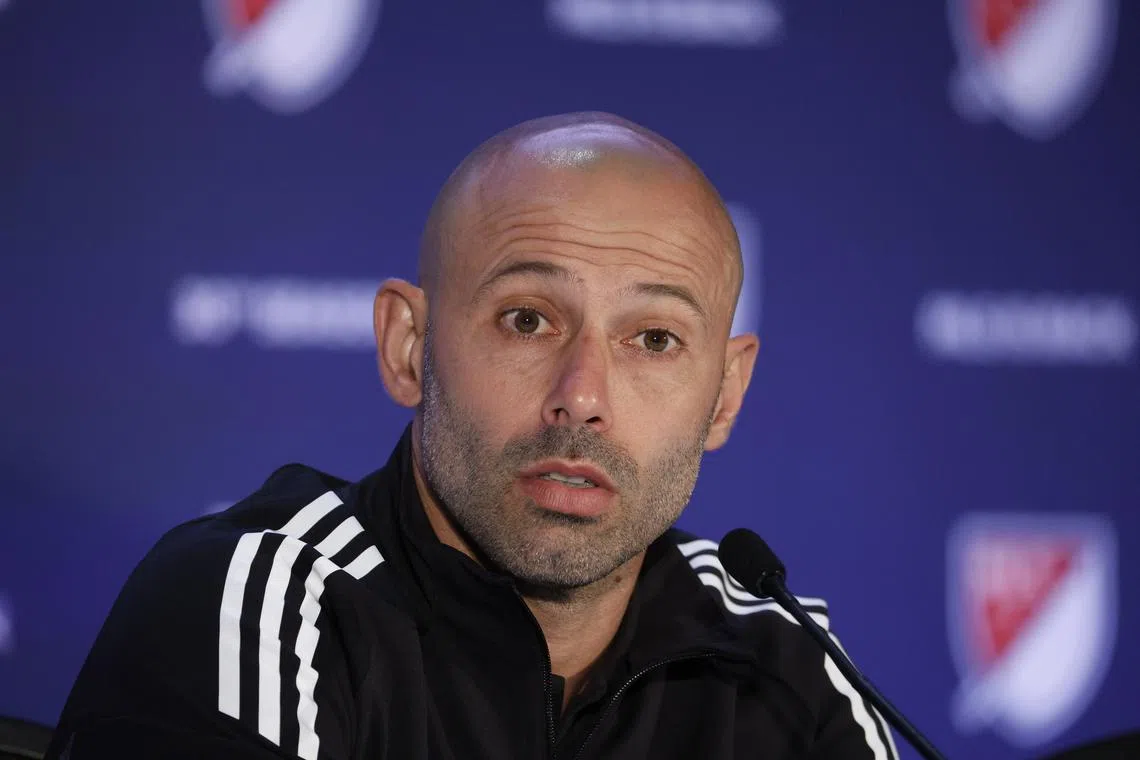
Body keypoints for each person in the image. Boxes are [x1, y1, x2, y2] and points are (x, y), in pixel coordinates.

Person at [45, 112, 897, 759]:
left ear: (724, 394)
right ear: (409, 348)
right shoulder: (260, 604)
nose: (583, 398)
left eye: (654, 339)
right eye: (528, 320)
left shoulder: (784, 666)